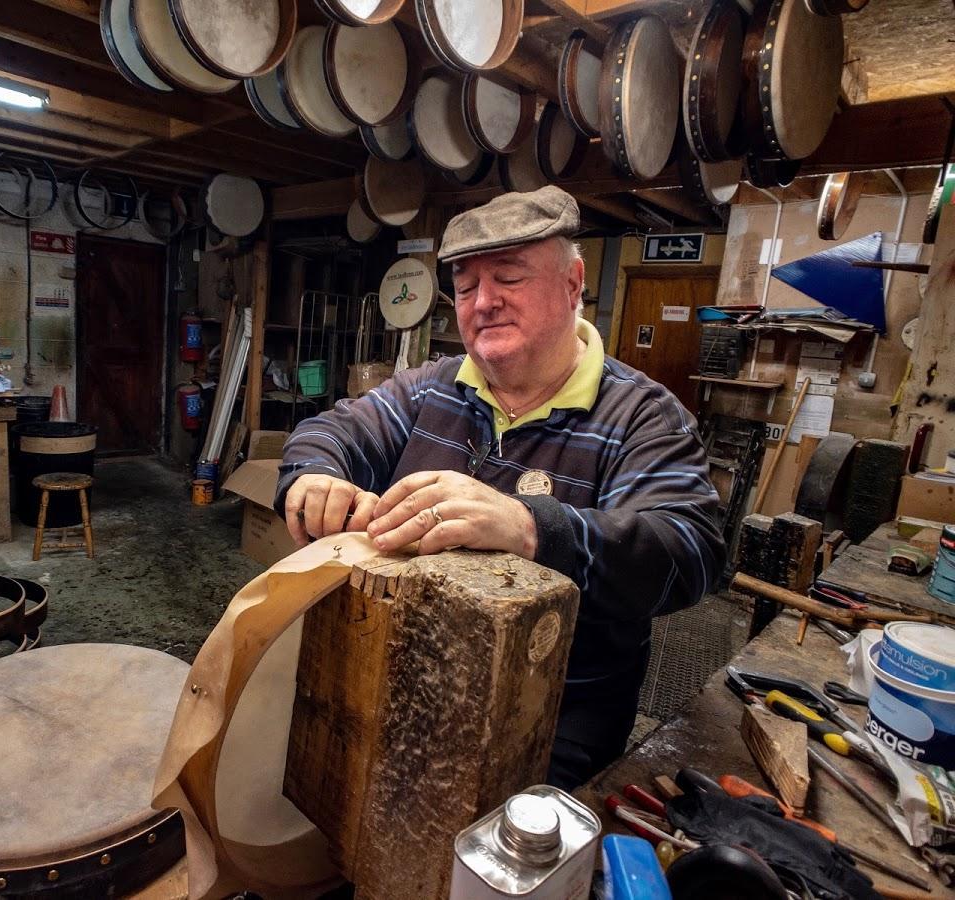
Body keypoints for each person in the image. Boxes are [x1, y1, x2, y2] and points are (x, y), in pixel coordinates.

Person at [274, 186, 725, 788]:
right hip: (404, 687)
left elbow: (690, 551)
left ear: (572, 285)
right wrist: (315, 474)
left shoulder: (641, 416)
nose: (483, 302)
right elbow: (332, 430)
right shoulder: (429, 389)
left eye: (508, 278)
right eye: (464, 287)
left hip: (553, 724)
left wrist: (533, 528)